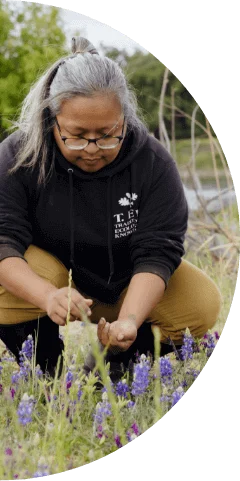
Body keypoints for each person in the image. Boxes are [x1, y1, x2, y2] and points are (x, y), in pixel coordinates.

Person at [0, 37, 222, 380]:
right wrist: (47, 296)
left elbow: (157, 253)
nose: (92, 148)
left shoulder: (152, 162)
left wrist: (130, 321)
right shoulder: (19, 156)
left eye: (107, 134)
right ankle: (44, 371)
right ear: (52, 118)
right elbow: (3, 242)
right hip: (51, 285)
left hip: (124, 282)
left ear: (125, 119)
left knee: (200, 304)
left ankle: (117, 358)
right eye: (76, 135)